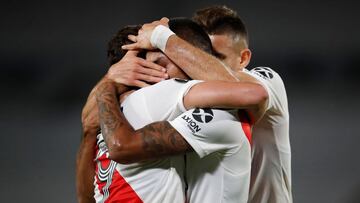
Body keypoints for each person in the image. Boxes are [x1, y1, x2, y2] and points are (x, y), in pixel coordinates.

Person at [79, 18, 262, 203]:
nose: (159, 75)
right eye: (149, 66)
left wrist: (106, 83)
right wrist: (161, 37)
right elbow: (252, 93)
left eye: (162, 64)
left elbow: (85, 198)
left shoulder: (107, 110)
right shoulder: (157, 96)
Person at [121, 5, 292, 203]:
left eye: (216, 58)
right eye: (198, 55)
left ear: (243, 58)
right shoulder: (184, 97)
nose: (198, 66)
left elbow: (249, 93)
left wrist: (161, 36)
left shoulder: (266, 80)